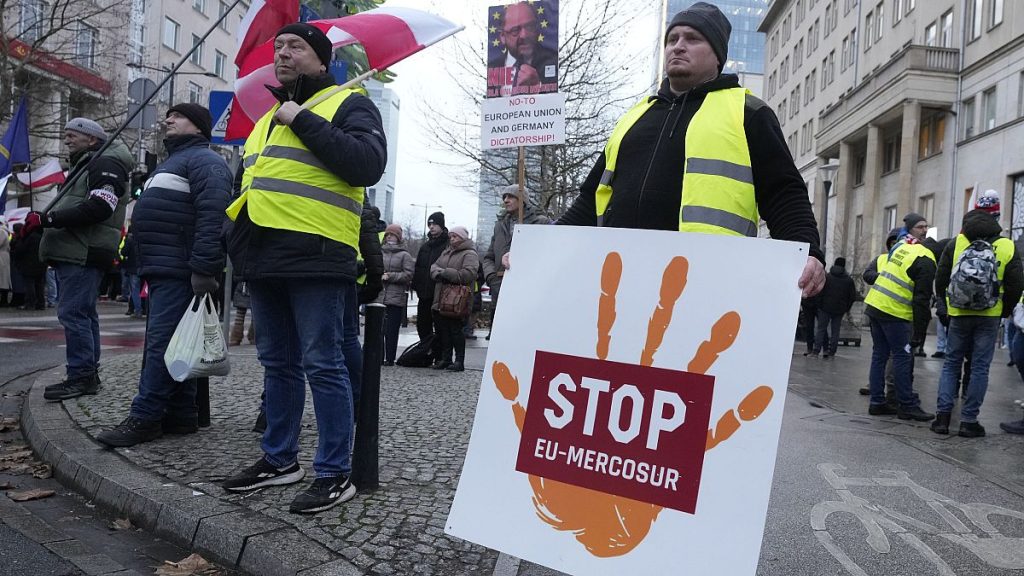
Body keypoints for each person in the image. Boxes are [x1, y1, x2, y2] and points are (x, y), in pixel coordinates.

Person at [220, 23, 387, 514]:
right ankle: (279, 459)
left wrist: (303, 119)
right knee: (278, 363)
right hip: (265, 255)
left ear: (322, 59)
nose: (283, 53)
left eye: (296, 46)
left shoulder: (349, 104)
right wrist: (233, 242)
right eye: (279, 47)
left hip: (318, 254)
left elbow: (366, 165)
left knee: (323, 363)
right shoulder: (268, 117)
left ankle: (334, 472)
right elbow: (248, 184)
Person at [553, 2, 825, 297]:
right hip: (622, 282)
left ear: (718, 55)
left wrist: (807, 251)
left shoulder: (748, 113)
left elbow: (783, 192)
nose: (678, 46)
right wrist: (543, 245)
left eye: (692, 39)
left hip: (706, 286)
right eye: (672, 39)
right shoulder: (633, 118)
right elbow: (590, 200)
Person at [96, 104, 231, 447]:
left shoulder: (206, 161)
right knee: (177, 344)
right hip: (163, 267)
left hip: (180, 270)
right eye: (169, 115)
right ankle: (181, 414)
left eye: (178, 116)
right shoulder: (173, 162)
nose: (168, 120)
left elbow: (213, 218)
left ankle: (145, 417)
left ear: (198, 127)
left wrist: (203, 269)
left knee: (160, 345)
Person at [40, 118, 134, 400]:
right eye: (66, 135)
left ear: (92, 139)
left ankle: (81, 376)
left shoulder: (104, 163)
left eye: (72, 135)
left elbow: (100, 207)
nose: (66, 140)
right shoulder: (89, 163)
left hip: (83, 251)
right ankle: (86, 374)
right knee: (82, 313)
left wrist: (50, 219)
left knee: (74, 314)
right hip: (78, 250)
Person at [931, 194, 1024, 438]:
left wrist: (944, 304)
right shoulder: (1006, 245)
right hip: (989, 315)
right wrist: (1004, 311)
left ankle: (942, 418)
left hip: (958, 313)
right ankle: (968, 421)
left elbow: (941, 277)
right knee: (980, 367)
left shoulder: (957, 242)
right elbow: (1016, 284)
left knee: (951, 363)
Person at [863, 213, 936, 421]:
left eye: (926, 227)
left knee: (879, 356)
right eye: (920, 227)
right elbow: (921, 300)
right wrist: (919, 333)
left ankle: (877, 402)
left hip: (876, 306)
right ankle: (907, 405)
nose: (924, 230)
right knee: (902, 357)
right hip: (894, 312)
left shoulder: (901, 247)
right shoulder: (926, 258)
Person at [482, 184, 550, 335]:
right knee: (500, 334)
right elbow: (489, 257)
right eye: (504, 197)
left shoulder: (540, 222)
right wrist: (492, 277)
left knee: (524, 333)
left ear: (522, 199)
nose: (506, 200)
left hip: (528, 289)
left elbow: (546, 254)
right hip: (499, 288)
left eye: (511, 196)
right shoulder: (499, 226)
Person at [430, 226, 479, 372]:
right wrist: (438, 273)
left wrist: (445, 273)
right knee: (444, 330)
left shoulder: (470, 253)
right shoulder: (447, 251)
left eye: (455, 236)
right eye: (451, 236)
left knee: (456, 331)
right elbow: (434, 266)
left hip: (458, 300)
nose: (452, 239)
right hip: (442, 297)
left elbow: (469, 274)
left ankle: (459, 360)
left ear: (462, 237)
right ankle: (446, 359)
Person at [486, 1, 558, 98]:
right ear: (503, 36)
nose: (524, 35)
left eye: (530, 27)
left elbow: (554, 103)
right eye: (515, 30)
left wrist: (539, 88)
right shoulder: (493, 67)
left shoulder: (552, 61)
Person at [413, 212, 449, 359]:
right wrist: (416, 286)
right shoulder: (425, 246)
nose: (432, 227)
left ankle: (439, 355)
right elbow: (418, 267)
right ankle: (426, 351)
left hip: (440, 292)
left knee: (441, 326)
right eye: (430, 224)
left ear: (441, 225)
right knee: (422, 324)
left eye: (435, 224)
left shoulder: (447, 246)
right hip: (424, 293)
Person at [379, 224, 414, 366]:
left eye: (392, 235)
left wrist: (391, 276)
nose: (389, 237)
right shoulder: (380, 252)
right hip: (380, 295)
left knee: (391, 330)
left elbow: (408, 274)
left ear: (398, 237)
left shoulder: (404, 255)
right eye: (387, 235)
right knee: (379, 329)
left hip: (396, 296)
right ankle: (378, 356)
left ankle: (390, 358)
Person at [812, 257, 857, 358]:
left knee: (821, 329)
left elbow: (819, 291)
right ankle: (832, 351)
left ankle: (816, 351)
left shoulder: (827, 277)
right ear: (844, 266)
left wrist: (819, 304)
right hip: (839, 309)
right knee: (835, 331)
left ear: (834, 264)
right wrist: (846, 308)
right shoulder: (848, 280)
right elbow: (852, 297)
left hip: (824, 307)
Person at [10, 212, 46, 310]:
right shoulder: (42, 235)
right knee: (39, 285)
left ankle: (30, 303)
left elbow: (20, 249)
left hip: (29, 264)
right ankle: (40, 303)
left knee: (29, 285)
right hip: (41, 263)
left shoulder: (29, 236)